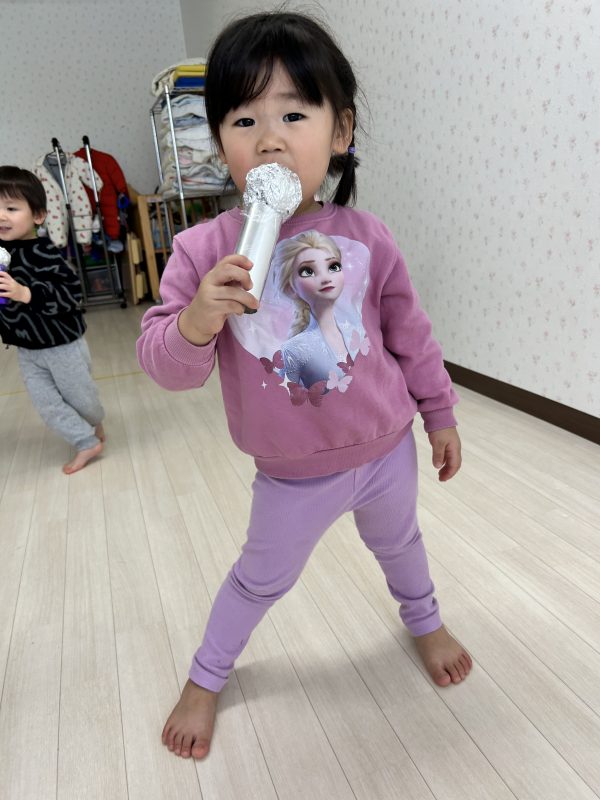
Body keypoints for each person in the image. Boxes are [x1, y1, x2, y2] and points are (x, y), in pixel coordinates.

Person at [137, 10, 472, 761]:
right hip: (292, 475)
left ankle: (423, 619)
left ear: (340, 131)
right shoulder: (201, 250)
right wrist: (196, 320)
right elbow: (165, 367)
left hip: (387, 450)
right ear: (218, 144)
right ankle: (207, 675)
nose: (270, 138)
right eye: (244, 120)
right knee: (260, 580)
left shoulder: (368, 238)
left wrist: (439, 412)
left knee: (402, 543)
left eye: (294, 114)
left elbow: (410, 335)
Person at [0, 166, 105, 474]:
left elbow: (71, 295)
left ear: (38, 216)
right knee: (46, 404)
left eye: (11, 208)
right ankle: (86, 441)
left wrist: (26, 293)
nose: (1, 216)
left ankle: (96, 422)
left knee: (83, 400)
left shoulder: (45, 253)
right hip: (27, 349)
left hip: (62, 345)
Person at [276, 230, 359, 388]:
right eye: (308, 271)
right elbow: (282, 397)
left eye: (333, 267)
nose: (326, 278)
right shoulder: (294, 350)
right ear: (290, 288)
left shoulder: (357, 330)